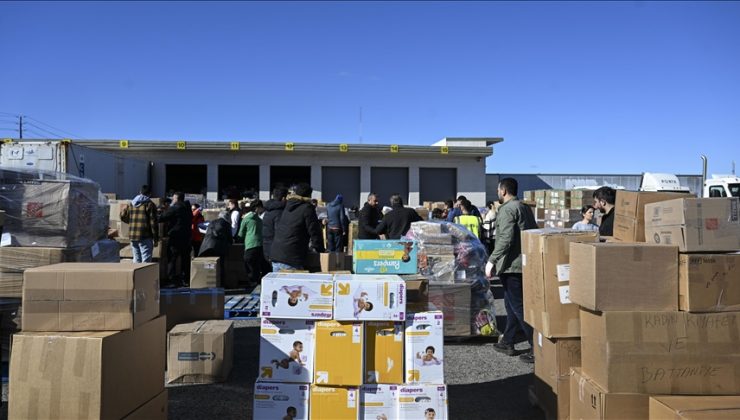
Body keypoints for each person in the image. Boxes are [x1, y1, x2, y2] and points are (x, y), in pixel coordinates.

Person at [485, 177, 537, 363]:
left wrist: (491, 260)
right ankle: (508, 340)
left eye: (499, 191)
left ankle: (537, 347)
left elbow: (505, 239)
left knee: (519, 307)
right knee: (510, 304)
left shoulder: (507, 209)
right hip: (523, 263)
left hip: (511, 266)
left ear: (503, 191)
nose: (498, 194)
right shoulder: (524, 208)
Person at [270, 183, 325, 271]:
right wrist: (320, 250)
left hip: (276, 256)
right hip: (291, 258)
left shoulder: (288, 206)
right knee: (293, 285)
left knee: (279, 284)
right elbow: (314, 232)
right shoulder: (307, 208)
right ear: (309, 195)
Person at [158, 192, 193, 287]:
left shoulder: (176, 208)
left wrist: (159, 212)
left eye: (173, 198)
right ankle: (186, 279)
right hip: (187, 237)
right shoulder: (187, 208)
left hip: (176, 237)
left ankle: (172, 280)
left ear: (177, 199)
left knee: (172, 258)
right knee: (185, 259)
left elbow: (162, 218)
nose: (172, 200)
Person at [120, 185, 159, 263]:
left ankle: (136, 275)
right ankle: (144, 275)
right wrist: (155, 239)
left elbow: (124, 217)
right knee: (146, 262)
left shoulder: (131, 203)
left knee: (136, 260)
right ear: (150, 194)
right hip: (145, 235)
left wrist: (132, 222)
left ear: (140, 192)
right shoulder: (149, 204)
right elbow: (153, 222)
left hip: (133, 236)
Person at [198, 211, 233, 280]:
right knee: (219, 266)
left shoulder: (212, 222)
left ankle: (206, 281)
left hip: (206, 247)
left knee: (209, 265)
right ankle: (220, 282)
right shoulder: (226, 224)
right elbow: (230, 239)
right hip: (218, 248)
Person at [237, 202, 264, 288]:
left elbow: (241, 234)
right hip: (260, 244)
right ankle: (256, 280)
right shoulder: (259, 219)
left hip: (250, 244)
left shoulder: (246, 219)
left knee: (248, 262)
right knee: (256, 263)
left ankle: (252, 280)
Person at [262, 187, 288, 267]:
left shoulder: (268, 211)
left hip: (267, 248)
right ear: (284, 198)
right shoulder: (280, 212)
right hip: (278, 253)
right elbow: (280, 233)